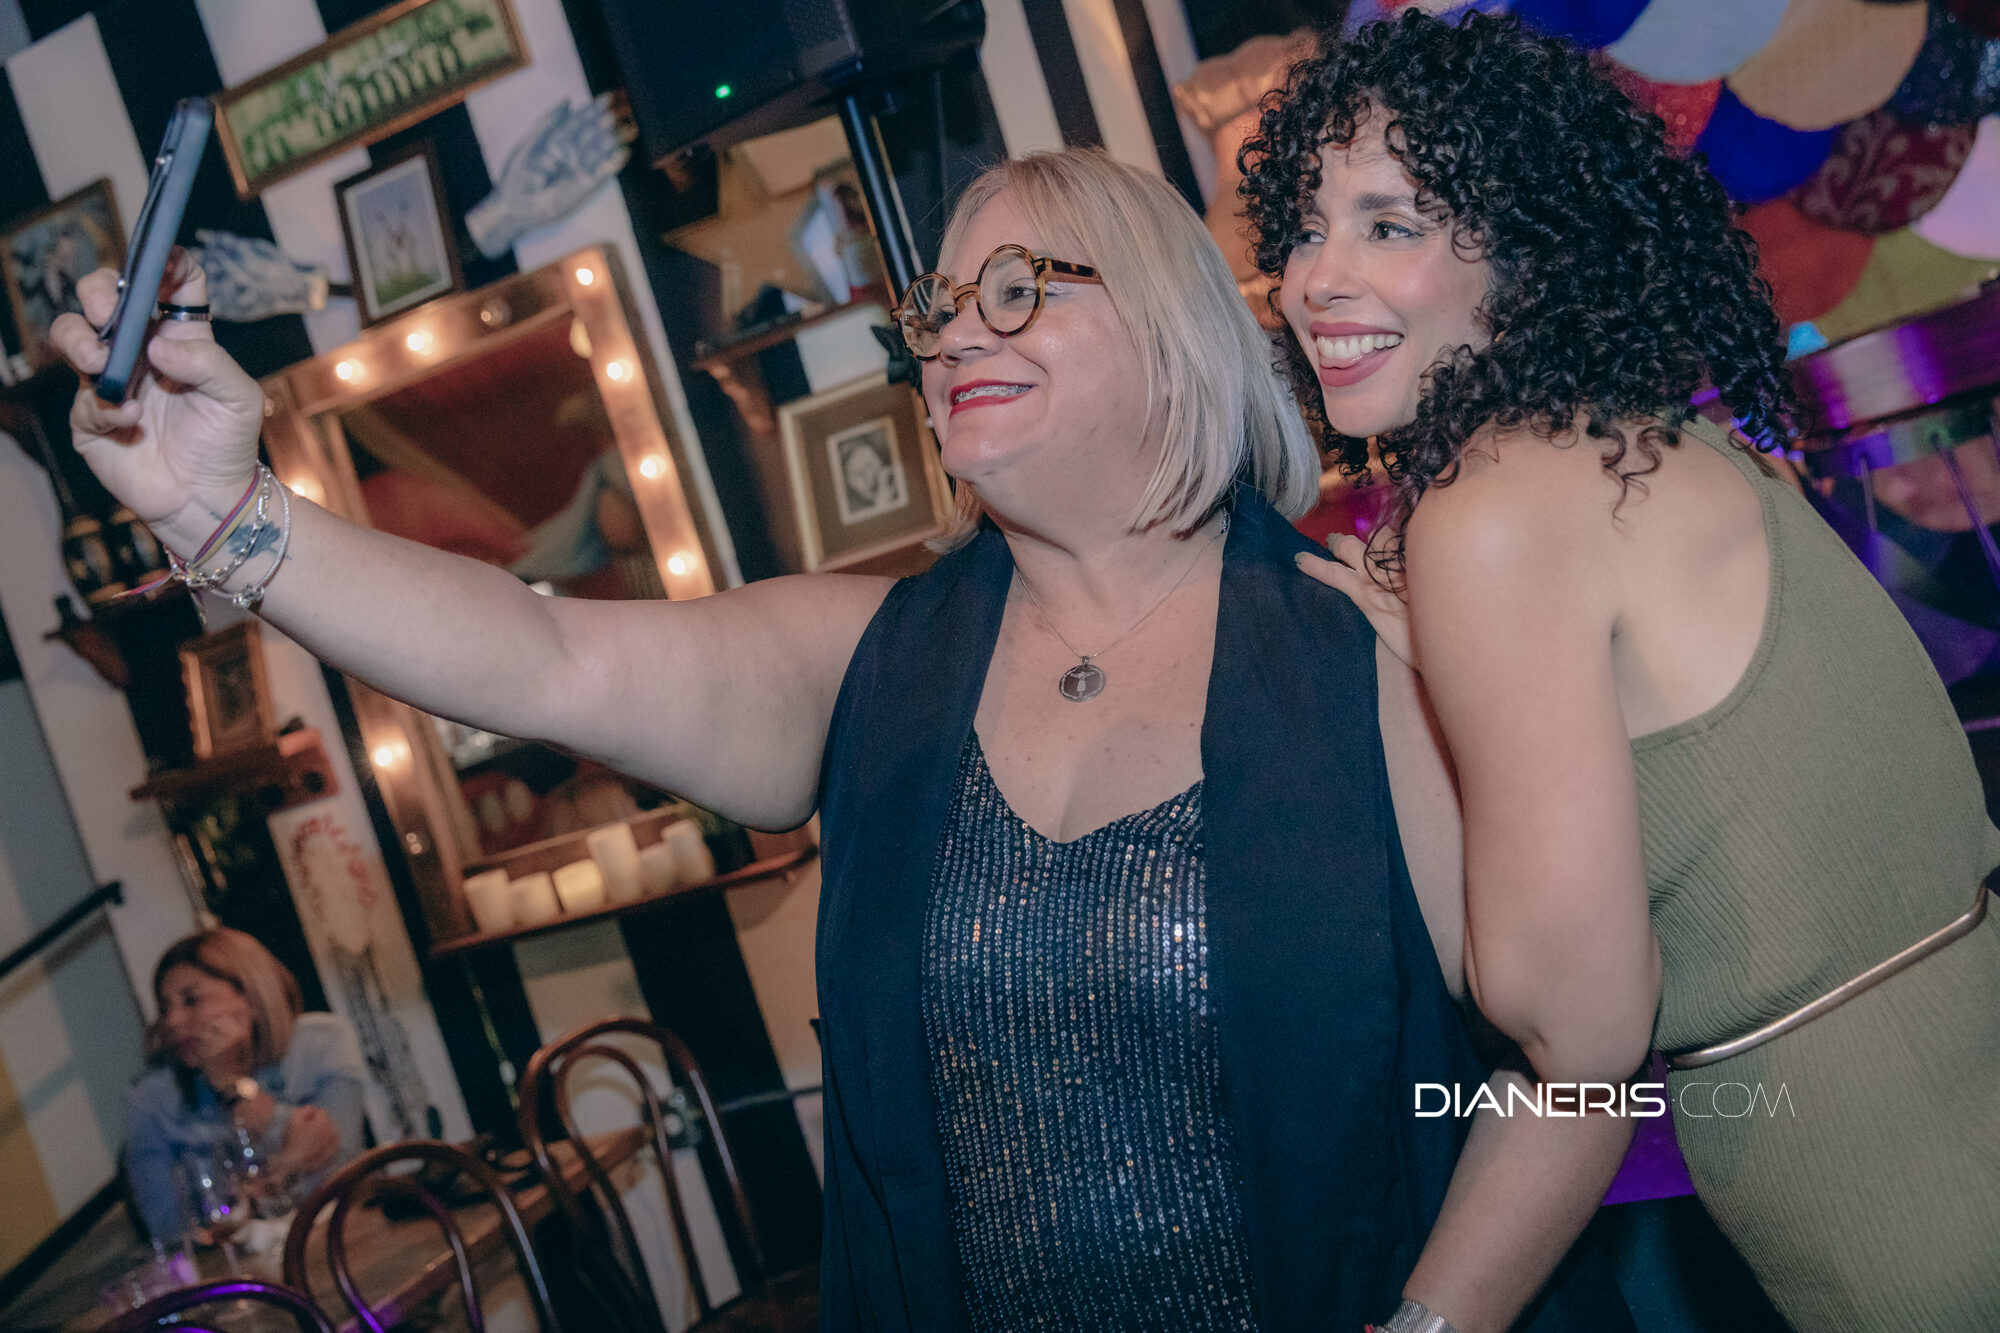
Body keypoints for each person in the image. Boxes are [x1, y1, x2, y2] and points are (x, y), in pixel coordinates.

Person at [56, 151, 1631, 1333]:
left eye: (1016, 289)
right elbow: (544, 658)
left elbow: (1573, 1072)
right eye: (937, 307)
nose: (951, 337)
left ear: (1168, 329)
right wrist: (223, 508)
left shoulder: (1367, 644)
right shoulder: (872, 658)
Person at [1244, 12, 2000, 1331]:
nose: (1317, 278)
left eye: (1387, 223)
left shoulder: (1487, 514)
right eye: (1306, 228)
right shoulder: (1662, 444)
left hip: (1901, 1213)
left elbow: (1576, 1038)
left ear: (1524, 253)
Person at [123, 929, 367, 1243]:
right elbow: (168, 1229)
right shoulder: (150, 1100)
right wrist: (283, 1166)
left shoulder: (322, 1042)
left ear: (251, 996)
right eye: (165, 1007)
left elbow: (343, 1176)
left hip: (345, 1241)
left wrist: (233, 1086)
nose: (172, 1021)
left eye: (191, 1000)